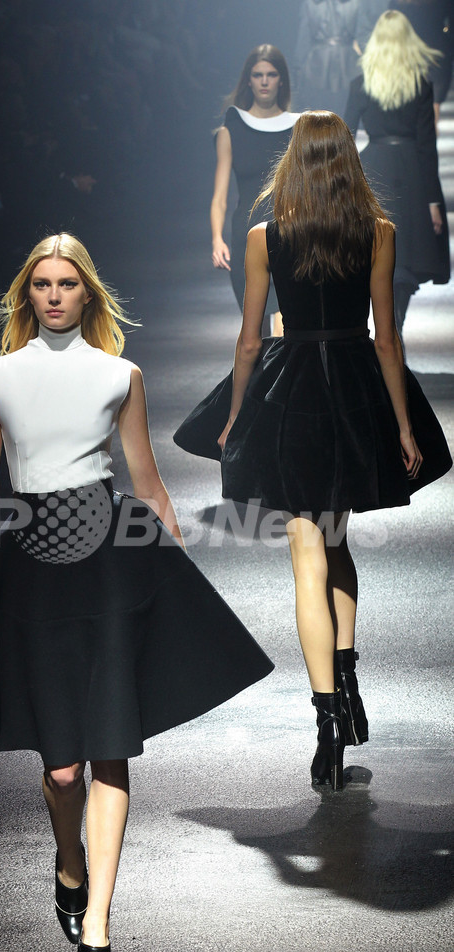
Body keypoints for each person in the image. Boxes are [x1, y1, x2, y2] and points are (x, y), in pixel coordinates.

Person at [0, 233, 273, 952]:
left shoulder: (120, 375)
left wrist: (177, 581)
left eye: (67, 284)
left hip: (112, 558)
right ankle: (68, 864)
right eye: (42, 284)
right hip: (30, 565)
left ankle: (99, 930)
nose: (54, 296)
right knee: (61, 771)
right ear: (28, 294)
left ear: (88, 293)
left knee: (109, 746)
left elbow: (145, 481)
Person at [174, 112, 451, 792]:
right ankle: (347, 686)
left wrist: (235, 415)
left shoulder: (264, 236)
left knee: (306, 554)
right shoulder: (378, 233)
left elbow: (249, 339)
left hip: (292, 390)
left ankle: (326, 722)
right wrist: (403, 426)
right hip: (352, 389)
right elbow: (386, 338)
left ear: (291, 162)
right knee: (335, 542)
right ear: (348, 164)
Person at [344, 9, 450, 339]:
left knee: (374, 248)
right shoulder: (421, 86)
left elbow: (345, 136)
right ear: (408, 42)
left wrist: (345, 185)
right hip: (412, 172)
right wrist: (433, 202)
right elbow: (427, 146)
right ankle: (395, 324)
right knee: (406, 254)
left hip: (374, 167)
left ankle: (383, 326)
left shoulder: (360, 85)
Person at [210, 44, 299, 333]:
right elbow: (220, 197)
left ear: (281, 80)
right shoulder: (230, 131)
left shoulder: (298, 128)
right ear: (248, 80)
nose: (264, 81)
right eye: (258, 75)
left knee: (288, 327)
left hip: (290, 232)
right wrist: (217, 239)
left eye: (271, 75)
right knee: (254, 334)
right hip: (246, 235)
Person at [388, 0, 453, 121]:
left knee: (409, 99)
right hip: (436, 47)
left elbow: (391, 20)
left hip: (408, 48)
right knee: (433, 102)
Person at [293, 0, 361, 115]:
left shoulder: (311, 4)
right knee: (344, 109)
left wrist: (297, 68)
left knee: (319, 109)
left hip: (318, 63)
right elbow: (361, 34)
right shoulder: (355, 3)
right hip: (347, 63)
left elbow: (304, 39)